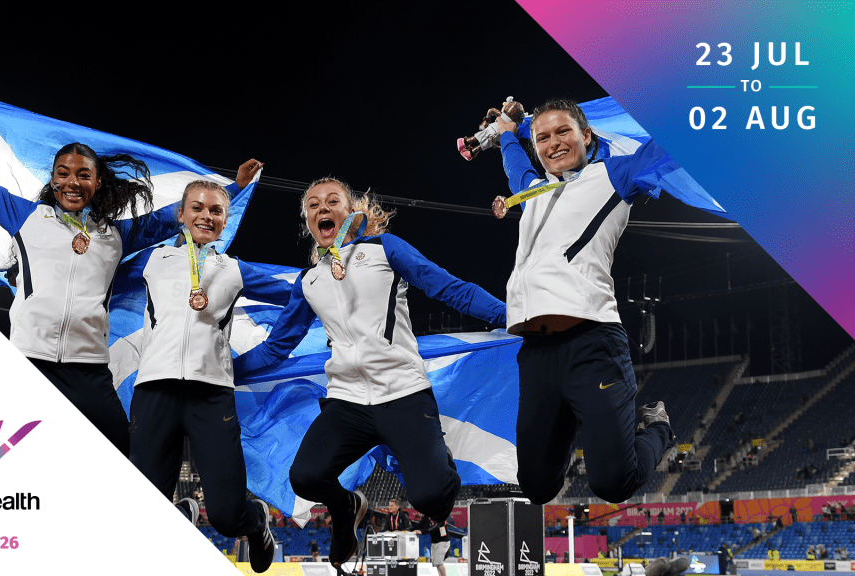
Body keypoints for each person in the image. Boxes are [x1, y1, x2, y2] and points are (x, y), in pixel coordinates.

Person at [0, 84, 262, 457]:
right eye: (63, 173)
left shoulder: (118, 234)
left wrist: (233, 186)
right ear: (53, 180)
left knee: (124, 451)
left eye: (82, 174)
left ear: (98, 182)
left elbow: (178, 214)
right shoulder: (25, 216)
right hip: (28, 357)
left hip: (88, 369)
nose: (72, 182)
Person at [234, 177, 506, 572]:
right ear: (307, 220)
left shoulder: (384, 249)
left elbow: (449, 288)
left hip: (404, 394)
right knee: (305, 478)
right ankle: (346, 507)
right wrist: (225, 370)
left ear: (351, 211)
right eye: (313, 205)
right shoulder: (309, 281)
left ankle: (439, 468)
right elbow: (278, 346)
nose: (322, 209)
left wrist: (511, 316)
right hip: (348, 404)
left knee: (430, 496)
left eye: (332, 201)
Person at [490, 98, 675, 504]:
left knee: (612, 484)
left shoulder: (615, 175)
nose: (552, 143)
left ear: (586, 136)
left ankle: (659, 427)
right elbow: (515, 166)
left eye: (562, 132)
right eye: (542, 137)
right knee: (537, 488)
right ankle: (578, 411)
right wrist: (508, 133)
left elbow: (671, 146)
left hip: (592, 344)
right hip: (537, 353)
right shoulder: (530, 191)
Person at [128, 179, 291, 573]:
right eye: (197, 208)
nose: (206, 215)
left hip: (211, 395)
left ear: (225, 221)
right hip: (154, 391)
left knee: (225, 516)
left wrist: (271, 350)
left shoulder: (233, 270)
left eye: (216, 210)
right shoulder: (150, 261)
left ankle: (255, 523)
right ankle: (181, 517)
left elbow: (301, 295)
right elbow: (92, 269)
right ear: (180, 215)